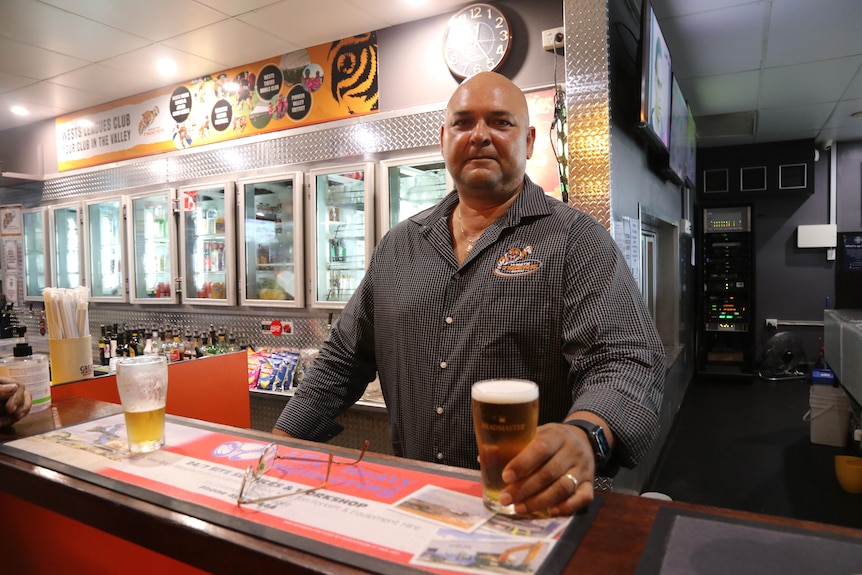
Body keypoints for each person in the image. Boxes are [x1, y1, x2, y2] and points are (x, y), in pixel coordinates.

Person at [274, 71, 665, 516]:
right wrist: (283, 441)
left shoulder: (576, 241)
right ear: (444, 138)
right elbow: (343, 357)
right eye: (463, 123)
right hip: (418, 508)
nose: (479, 136)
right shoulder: (400, 245)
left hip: (535, 508)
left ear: (530, 140)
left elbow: (625, 359)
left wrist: (586, 434)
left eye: (500, 122)